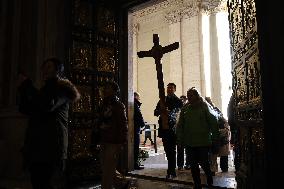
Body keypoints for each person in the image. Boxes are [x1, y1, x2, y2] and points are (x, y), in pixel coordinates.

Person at [17, 57, 80, 189]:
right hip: (37, 144)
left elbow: (47, 104)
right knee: (36, 181)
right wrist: (23, 88)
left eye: (49, 67)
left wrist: (29, 85)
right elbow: (26, 109)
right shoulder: (44, 91)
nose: (45, 70)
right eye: (44, 67)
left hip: (51, 145)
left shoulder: (62, 90)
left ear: (58, 70)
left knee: (45, 182)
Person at [176, 87, 219, 189]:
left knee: (204, 163)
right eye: (188, 95)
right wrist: (180, 139)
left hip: (203, 141)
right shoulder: (185, 109)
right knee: (193, 165)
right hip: (190, 142)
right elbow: (180, 125)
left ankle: (209, 181)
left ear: (197, 95)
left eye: (191, 95)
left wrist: (215, 138)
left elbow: (213, 122)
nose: (189, 97)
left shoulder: (205, 106)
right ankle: (197, 184)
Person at [97, 81, 128, 189]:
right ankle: (122, 183)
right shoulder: (103, 104)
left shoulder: (119, 105)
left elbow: (123, 124)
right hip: (104, 139)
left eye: (108, 88)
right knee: (106, 166)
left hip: (114, 141)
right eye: (105, 88)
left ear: (115, 91)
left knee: (108, 169)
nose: (105, 90)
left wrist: (122, 141)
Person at [154, 83, 183, 179]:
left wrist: (169, 113)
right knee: (167, 150)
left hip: (173, 129)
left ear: (175, 89)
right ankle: (170, 170)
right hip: (164, 129)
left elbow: (179, 113)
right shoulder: (163, 100)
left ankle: (171, 170)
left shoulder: (178, 101)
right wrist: (161, 111)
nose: (169, 89)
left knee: (172, 150)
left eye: (171, 88)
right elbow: (155, 112)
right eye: (168, 88)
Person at [205, 97, 231, 174]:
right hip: (212, 135)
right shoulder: (204, 111)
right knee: (212, 154)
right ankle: (213, 169)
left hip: (219, 134)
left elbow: (223, 121)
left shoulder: (216, 111)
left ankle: (223, 167)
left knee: (222, 153)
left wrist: (224, 130)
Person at [176, 95, 190, 170]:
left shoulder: (188, 108)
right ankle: (180, 165)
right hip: (180, 132)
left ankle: (188, 164)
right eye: (181, 100)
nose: (182, 101)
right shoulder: (179, 109)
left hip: (187, 132)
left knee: (188, 150)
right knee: (180, 150)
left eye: (183, 100)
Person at [133, 92, 145, 170]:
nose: (139, 99)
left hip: (134, 128)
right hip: (135, 128)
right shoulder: (135, 104)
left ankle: (135, 163)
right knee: (135, 147)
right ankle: (135, 164)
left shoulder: (133, 103)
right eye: (138, 97)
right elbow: (138, 115)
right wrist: (143, 124)